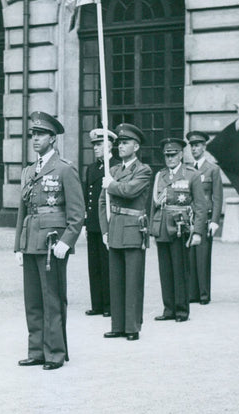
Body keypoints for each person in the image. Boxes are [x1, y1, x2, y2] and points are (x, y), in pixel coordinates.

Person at [14, 112, 84, 370]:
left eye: (40, 134)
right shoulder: (29, 171)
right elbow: (23, 212)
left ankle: (54, 351)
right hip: (31, 241)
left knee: (52, 299)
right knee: (32, 300)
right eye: (33, 134)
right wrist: (18, 245)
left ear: (53, 139)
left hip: (53, 245)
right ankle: (36, 350)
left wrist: (67, 241)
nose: (35, 139)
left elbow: (77, 213)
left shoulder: (64, 168)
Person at [99, 123, 152, 341]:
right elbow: (103, 203)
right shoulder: (112, 170)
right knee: (116, 280)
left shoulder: (143, 170)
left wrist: (111, 184)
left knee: (132, 281)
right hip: (115, 228)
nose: (120, 146)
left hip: (132, 228)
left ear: (136, 147)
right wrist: (104, 229)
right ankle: (118, 324)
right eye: (119, 142)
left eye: (125, 142)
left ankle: (132, 327)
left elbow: (130, 191)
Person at [149, 138, 208, 323]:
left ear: (181, 155)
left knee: (180, 269)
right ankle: (169, 309)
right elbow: (154, 205)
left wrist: (198, 232)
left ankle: (182, 310)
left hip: (181, 227)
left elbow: (200, 206)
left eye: (173, 154)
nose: (170, 159)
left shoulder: (191, 175)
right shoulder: (160, 175)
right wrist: (152, 230)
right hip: (162, 227)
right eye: (167, 155)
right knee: (165, 270)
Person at [83, 127, 119, 317]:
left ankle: (109, 305)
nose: (95, 148)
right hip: (93, 223)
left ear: (110, 145)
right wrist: (85, 221)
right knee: (94, 264)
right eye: (94, 145)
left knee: (107, 264)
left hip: (108, 221)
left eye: (99, 144)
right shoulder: (91, 168)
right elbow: (86, 195)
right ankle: (97, 303)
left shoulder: (115, 166)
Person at [186, 131, 223, 305]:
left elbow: (217, 196)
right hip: (188, 217)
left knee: (202, 256)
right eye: (192, 145)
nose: (194, 149)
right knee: (189, 257)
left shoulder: (212, 169)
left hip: (205, 217)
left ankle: (203, 294)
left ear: (204, 147)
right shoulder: (187, 169)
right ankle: (192, 293)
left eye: (198, 145)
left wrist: (215, 220)